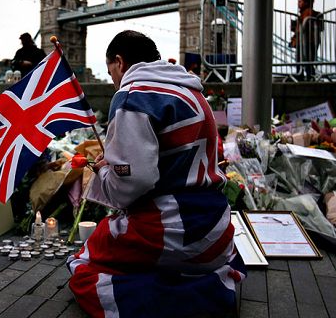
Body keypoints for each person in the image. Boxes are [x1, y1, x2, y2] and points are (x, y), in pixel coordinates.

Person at [67, 30, 246, 317]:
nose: (114, 80)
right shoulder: (192, 90)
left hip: (172, 231)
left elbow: (133, 182)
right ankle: (197, 281)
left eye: (111, 72)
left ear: (119, 62)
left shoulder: (131, 95)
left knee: (84, 263)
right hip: (215, 233)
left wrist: (104, 173)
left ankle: (201, 300)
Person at [291, 0, 323, 80]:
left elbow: (304, 29)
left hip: (307, 41)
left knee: (304, 60)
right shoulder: (304, 14)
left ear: (306, 3)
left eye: (300, 1)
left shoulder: (308, 13)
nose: (298, 4)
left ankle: (305, 76)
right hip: (305, 41)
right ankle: (307, 76)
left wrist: (298, 27)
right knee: (305, 60)